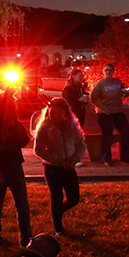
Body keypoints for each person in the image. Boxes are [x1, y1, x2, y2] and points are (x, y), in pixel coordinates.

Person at [0, 91, 32, 247]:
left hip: (15, 167)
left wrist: (14, 129)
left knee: (22, 204)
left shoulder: (16, 125)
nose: (13, 110)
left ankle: (26, 238)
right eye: (10, 107)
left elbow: (24, 142)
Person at [32, 97, 86, 237]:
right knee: (56, 196)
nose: (54, 115)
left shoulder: (71, 127)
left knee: (74, 197)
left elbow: (80, 144)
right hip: (52, 168)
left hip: (69, 166)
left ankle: (58, 212)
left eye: (58, 113)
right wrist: (56, 161)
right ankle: (58, 229)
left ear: (65, 113)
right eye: (51, 112)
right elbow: (39, 149)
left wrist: (74, 159)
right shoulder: (45, 127)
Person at [90, 63, 129, 166]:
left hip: (118, 111)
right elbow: (93, 97)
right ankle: (106, 158)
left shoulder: (117, 82)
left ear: (113, 71)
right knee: (107, 135)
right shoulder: (100, 84)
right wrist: (103, 108)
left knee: (126, 133)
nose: (108, 72)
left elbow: (123, 92)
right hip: (105, 113)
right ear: (103, 72)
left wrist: (126, 92)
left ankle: (126, 157)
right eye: (106, 70)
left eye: (110, 70)